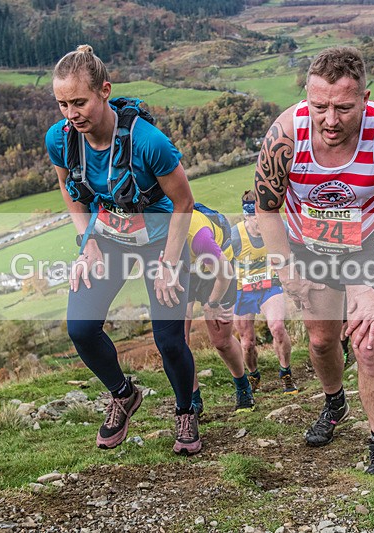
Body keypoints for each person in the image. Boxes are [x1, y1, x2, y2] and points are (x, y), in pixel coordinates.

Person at [254, 46, 374, 477]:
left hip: (369, 248)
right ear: (306, 98)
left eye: (344, 108)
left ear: (365, 99)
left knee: (368, 344)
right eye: (320, 107)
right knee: (319, 341)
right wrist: (286, 271)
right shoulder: (285, 136)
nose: (330, 121)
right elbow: (266, 208)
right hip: (309, 248)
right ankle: (335, 402)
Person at [46, 45, 200, 455]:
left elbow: (183, 203)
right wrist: (87, 241)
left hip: (159, 241)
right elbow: (69, 187)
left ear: (104, 91)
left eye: (79, 102)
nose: (71, 113)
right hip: (108, 239)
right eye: (63, 104)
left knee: (168, 340)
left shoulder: (150, 142)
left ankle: (186, 410)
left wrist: (169, 264)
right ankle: (124, 394)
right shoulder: (60, 140)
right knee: (80, 327)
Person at [183, 206, 256, 414]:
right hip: (185, 273)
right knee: (179, 339)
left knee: (221, 340)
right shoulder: (155, 233)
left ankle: (243, 386)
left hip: (218, 272)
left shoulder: (197, 234)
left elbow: (225, 273)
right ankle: (193, 399)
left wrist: (212, 304)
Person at [231, 191, 296, 395]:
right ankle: (253, 375)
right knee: (247, 341)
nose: (260, 222)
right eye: (255, 217)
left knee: (277, 327)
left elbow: (293, 250)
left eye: (262, 217)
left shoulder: (278, 228)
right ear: (246, 217)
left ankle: (285, 373)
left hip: (270, 286)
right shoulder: (235, 236)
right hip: (243, 291)